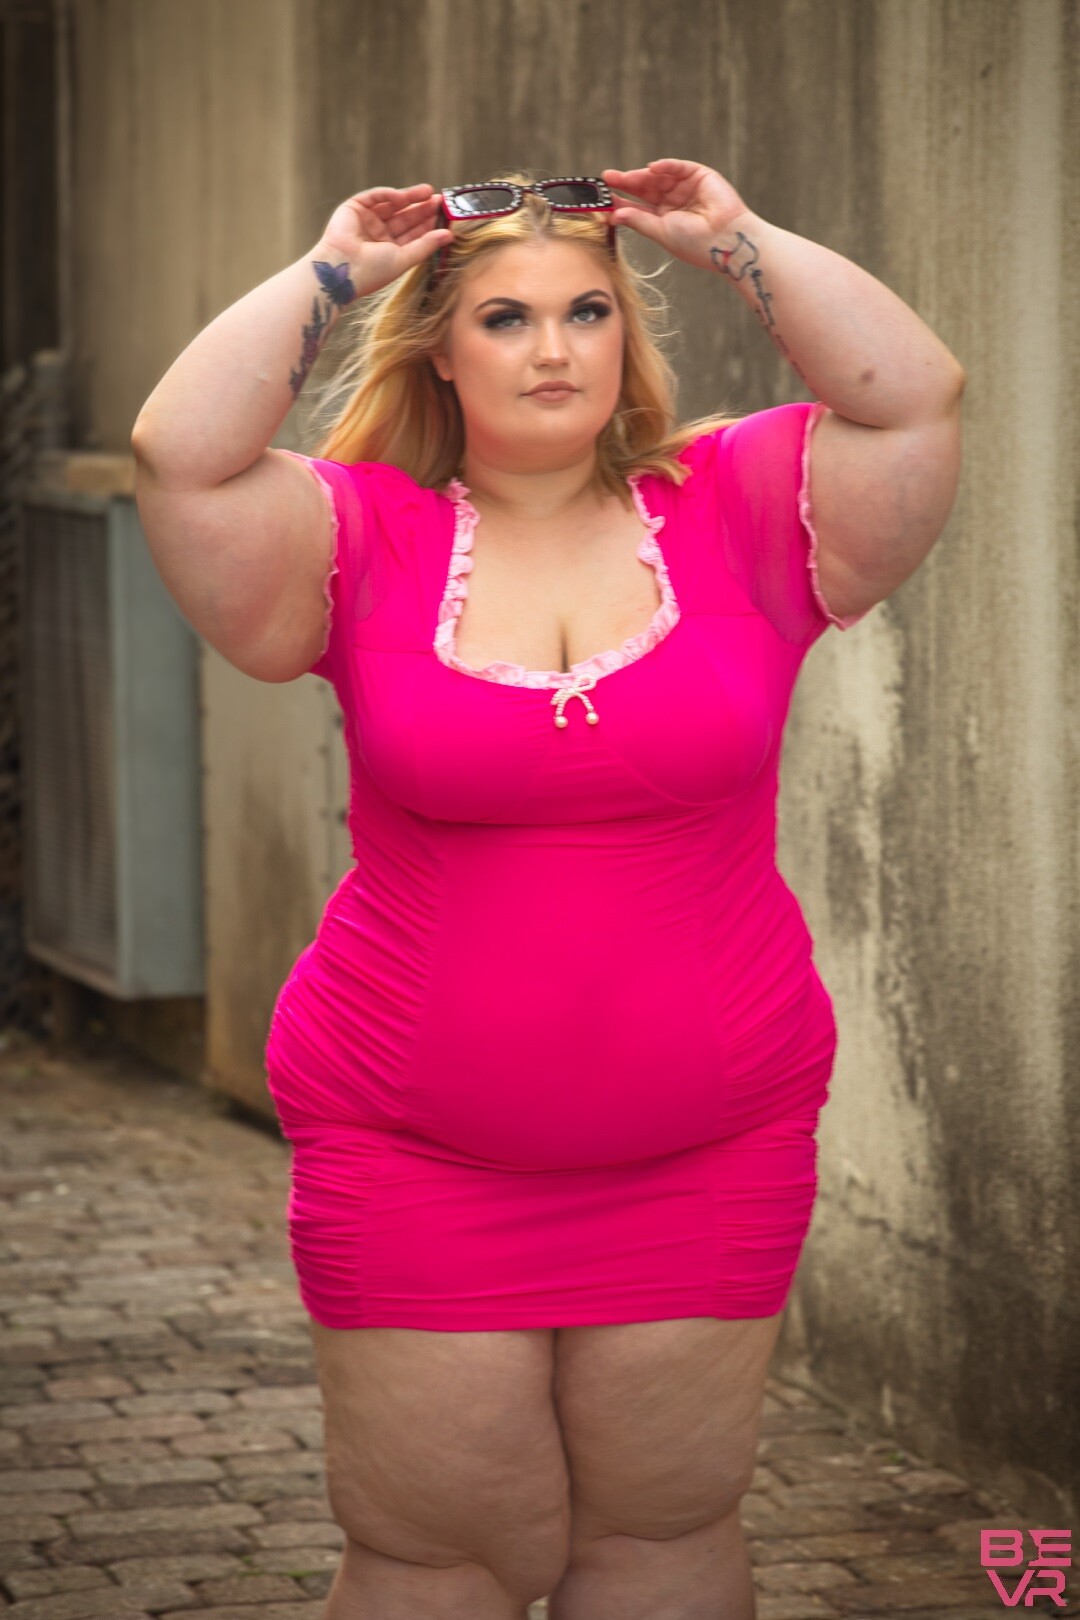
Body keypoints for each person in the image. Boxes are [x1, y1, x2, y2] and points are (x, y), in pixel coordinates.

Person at [131, 158, 965, 1620]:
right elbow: (180, 456)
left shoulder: (741, 508)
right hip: (411, 1153)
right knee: (441, 1552)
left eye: (587, 312)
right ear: (443, 354)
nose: (555, 347)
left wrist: (735, 241)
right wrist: (339, 271)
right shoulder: (357, 537)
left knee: (665, 1533)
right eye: (506, 319)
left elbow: (914, 401)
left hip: (711, 1145)